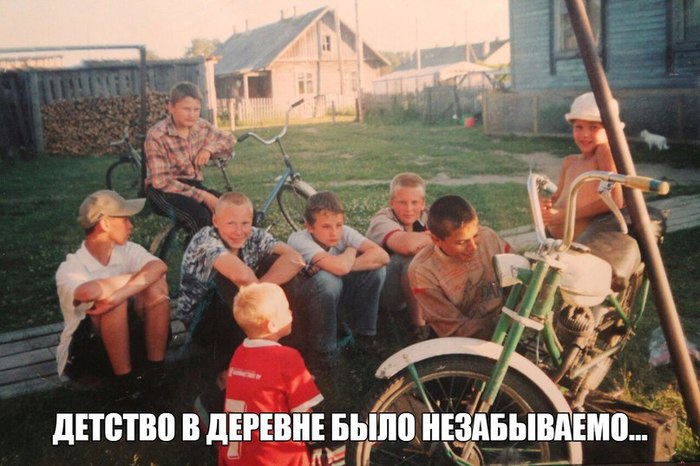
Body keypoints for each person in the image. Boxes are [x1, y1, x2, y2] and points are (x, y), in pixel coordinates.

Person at [55, 190, 171, 399]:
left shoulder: (127, 250)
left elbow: (159, 267)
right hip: (87, 353)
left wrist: (119, 294)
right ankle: (125, 386)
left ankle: (155, 373)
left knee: (156, 286)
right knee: (114, 303)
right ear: (105, 224)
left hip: (125, 339)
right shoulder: (72, 267)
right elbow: (88, 292)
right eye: (125, 219)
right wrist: (136, 281)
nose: (131, 225)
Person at [177, 191, 305, 372]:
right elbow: (241, 276)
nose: (239, 231)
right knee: (227, 279)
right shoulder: (205, 239)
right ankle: (234, 366)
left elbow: (296, 259)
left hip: (236, 309)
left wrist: (263, 290)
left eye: (245, 223)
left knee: (277, 265)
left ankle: (284, 354)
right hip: (202, 321)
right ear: (215, 221)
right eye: (231, 223)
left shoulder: (254, 235)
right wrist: (266, 299)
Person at [220, 282, 323, 466]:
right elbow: (304, 415)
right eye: (286, 308)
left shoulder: (239, 352)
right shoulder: (287, 357)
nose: (291, 312)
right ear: (273, 325)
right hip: (276, 457)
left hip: (236, 456)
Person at [288, 192, 389, 368]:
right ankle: (324, 351)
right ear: (309, 226)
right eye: (326, 226)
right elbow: (340, 269)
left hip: (334, 296)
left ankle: (364, 336)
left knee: (376, 270)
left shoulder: (344, 232)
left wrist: (342, 262)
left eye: (339, 225)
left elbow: (382, 256)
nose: (334, 233)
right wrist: (350, 251)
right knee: (328, 279)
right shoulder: (299, 239)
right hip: (305, 305)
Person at [408, 195, 511, 340]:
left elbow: (520, 281)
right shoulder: (423, 270)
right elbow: (454, 329)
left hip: (504, 325)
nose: (473, 247)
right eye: (461, 242)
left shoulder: (489, 237)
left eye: (475, 236)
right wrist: (505, 326)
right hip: (459, 340)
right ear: (436, 240)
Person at [145, 81, 236, 236]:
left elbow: (229, 139)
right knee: (201, 217)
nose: (192, 114)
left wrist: (208, 149)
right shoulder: (157, 135)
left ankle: (230, 249)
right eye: (186, 109)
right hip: (163, 191)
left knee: (232, 210)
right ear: (170, 107)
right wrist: (204, 196)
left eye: (196, 109)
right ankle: (198, 251)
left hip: (192, 185)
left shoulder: (200, 126)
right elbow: (162, 182)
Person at [539, 92, 624, 240]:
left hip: (579, 244)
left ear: (609, 131)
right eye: (579, 127)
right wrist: (547, 206)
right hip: (552, 239)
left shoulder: (603, 153)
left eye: (593, 127)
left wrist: (565, 215)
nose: (585, 134)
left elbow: (614, 201)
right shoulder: (569, 162)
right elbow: (558, 197)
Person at [366, 173, 432, 341]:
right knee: (411, 260)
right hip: (380, 292)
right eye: (402, 202)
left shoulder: (428, 216)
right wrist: (439, 236)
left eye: (414, 202)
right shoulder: (382, 220)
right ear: (392, 203)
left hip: (413, 286)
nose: (409, 208)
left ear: (423, 203)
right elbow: (407, 246)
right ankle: (419, 328)